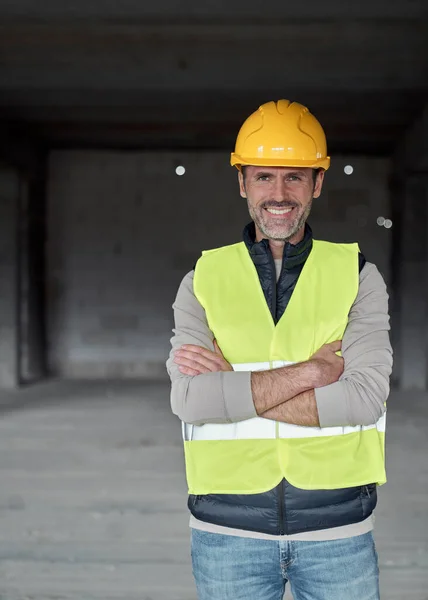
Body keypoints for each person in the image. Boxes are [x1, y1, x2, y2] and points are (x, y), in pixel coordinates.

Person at [166, 99, 392, 600]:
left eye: (295, 176)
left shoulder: (357, 276)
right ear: (242, 183)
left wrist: (234, 384)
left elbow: (362, 401)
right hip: (226, 532)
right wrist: (312, 372)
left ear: (317, 183)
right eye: (264, 176)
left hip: (338, 530)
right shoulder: (204, 280)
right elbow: (193, 401)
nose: (279, 193)